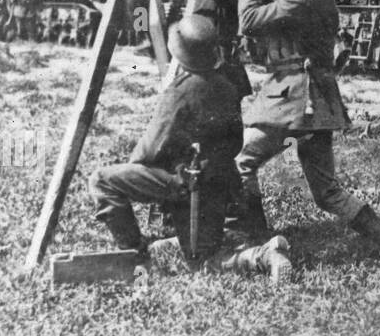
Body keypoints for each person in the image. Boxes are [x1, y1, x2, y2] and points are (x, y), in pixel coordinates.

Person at [88, 15, 292, 283]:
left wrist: (136, 169)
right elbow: (236, 143)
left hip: (185, 184)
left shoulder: (180, 92)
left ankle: (135, 256)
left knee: (102, 182)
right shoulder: (227, 86)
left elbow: (149, 150)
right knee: (204, 260)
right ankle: (263, 256)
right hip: (218, 186)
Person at [234, 0, 380, 248]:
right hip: (317, 103)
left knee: (241, 162)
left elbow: (250, 22)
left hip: (295, 102)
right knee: (326, 192)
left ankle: (256, 238)